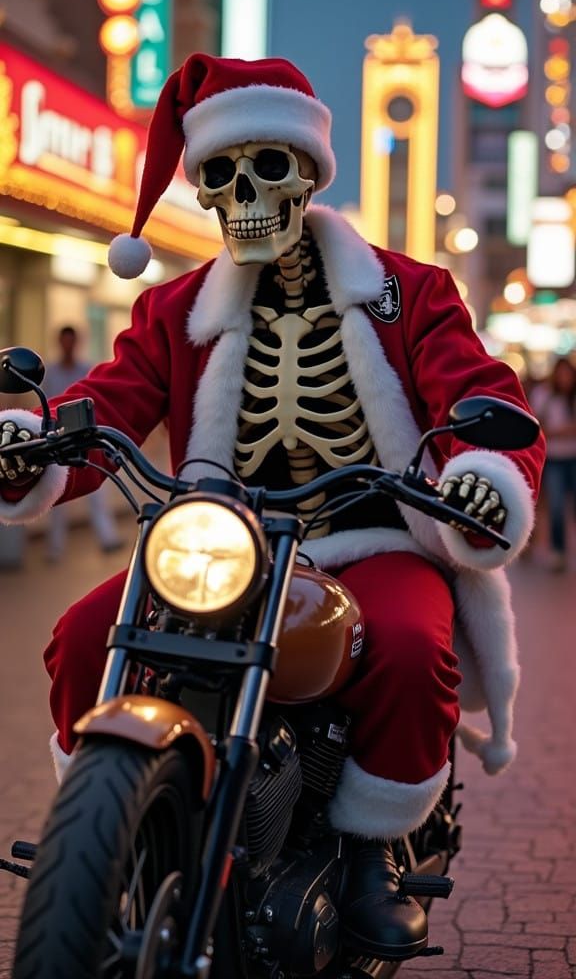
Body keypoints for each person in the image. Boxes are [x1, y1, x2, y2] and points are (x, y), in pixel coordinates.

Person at [0, 53, 544, 960]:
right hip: (223, 545)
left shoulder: (408, 292)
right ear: (205, 191)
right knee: (84, 635)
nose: (244, 190)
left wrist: (478, 473)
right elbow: (111, 401)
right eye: (221, 172)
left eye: (268, 165)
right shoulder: (174, 307)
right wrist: (33, 437)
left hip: (373, 535)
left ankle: (371, 851)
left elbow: (482, 397)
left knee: (412, 648)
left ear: (308, 174)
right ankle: (98, 832)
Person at [42, 326, 124, 561]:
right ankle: (54, 548)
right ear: (59, 343)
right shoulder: (51, 372)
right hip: (59, 441)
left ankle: (108, 538)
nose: (68, 345)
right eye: (64, 341)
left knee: (97, 491)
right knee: (57, 495)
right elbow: (47, 405)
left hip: (86, 438)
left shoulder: (87, 369)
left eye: (71, 341)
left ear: (75, 343)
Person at [530, 357, 576, 571]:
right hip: (554, 459)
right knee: (556, 507)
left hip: (573, 457)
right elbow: (537, 426)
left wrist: (556, 432)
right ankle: (558, 552)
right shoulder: (544, 395)